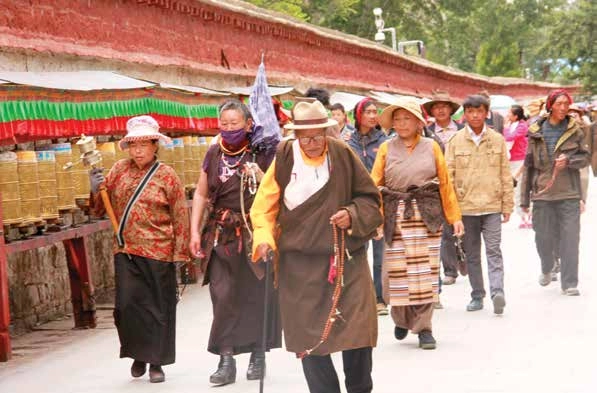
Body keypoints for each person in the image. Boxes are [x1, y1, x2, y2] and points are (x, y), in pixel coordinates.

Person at [251, 99, 382, 393]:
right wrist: (263, 238)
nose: (312, 142)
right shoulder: (285, 156)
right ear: (295, 135)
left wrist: (352, 215)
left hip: (345, 260)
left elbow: (371, 199)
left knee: (358, 334)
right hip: (299, 266)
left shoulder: (342, 153)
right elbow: (264, 207)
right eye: (305, 137)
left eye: (318, 135)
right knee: (308, 340)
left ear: (328, 131)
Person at [89, 115, 190, 383]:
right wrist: (95, 188)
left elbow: (180, 215)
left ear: (155, 145)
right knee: (127, 307)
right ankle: (138, 353)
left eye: (144, 145)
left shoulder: (167, 176)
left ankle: (157, 361)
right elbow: (100, 208)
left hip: (159, 251)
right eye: (133, 145)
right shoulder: (119, 170)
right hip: (126, 249)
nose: (138, 151)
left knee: (159, 308)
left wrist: (181, 254)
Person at [189, 99, 281, 386]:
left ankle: (257, 354)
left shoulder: (262, 153)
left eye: (235, 124)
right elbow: (202, 195)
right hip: (221, 234)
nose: (229, 129)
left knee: (255, 293)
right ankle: (225, 359)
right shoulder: (214, 154)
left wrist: (260, 175)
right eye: (224, 124)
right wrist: (194, 232)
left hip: (255, 233)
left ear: (248, 124)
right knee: (222, 294)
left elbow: (277, 189)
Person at [371, 97, 464, 349]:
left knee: (424, 272)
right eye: (397, 119)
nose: (402, 124)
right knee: (398, 273)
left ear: (418, 122)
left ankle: (424, 327)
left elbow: (445, 183)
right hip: (395, 213)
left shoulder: (432, 146)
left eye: (407, 119)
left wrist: (454, 217)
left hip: (427, 213)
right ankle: (401, 319)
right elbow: (374, 184)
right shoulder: (385, 148)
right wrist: (376, 220)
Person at [445, 94, 513, 314]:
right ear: (465, 114)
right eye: (470, 111)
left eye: (479, 111)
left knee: (494, 250)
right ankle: (477, 295)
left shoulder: (497, 140)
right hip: (466, 208)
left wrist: (507, 205)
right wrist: (452, 212)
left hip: (492, 205)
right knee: (472, 254)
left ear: (486, 113)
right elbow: (448, 177)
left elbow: (505, 173)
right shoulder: (455, 141)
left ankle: (497, 292)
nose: (475, 115)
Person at [520, 89, 590, 296]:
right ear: (550, 106)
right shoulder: (535, 132)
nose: (563, 108)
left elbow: (585, 158)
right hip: (542, 192)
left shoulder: (575, 130)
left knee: (570, 238)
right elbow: (529, 166)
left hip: (568, 193)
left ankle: (569, 283)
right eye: (558, 104)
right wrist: (524, 200)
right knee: (543, 236)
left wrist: (569, 161)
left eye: (566, 104)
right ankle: (547, 266)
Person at [347, 97, 389, 315]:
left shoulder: (385, 141)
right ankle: (360, 296)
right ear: (358, 115)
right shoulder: (349, 142)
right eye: (369, 112)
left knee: (381, 255)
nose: (373, 116)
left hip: (381, 203)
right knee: (358, 252)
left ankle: (380, 298)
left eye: (376, 112)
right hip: (358, 205)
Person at [422, 90, 464, 286]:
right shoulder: (427, 133)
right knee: (446, 230)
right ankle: (450, 270)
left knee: (467, 227)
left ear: (450, 109)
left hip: (465, 184)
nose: (440, 110)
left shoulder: (463, 130)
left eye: (444, 106)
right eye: (436, 107)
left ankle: (466, 260)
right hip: (440, 185)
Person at [504, 104, 530, 228]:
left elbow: (510, 137)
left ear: (515, 116)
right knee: (515, 189)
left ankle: (527, 215)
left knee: (521, 188)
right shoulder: (509, 125)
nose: (507, 115)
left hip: (520, 160)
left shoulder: (522, 126)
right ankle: (522, 216)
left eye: (509, 113)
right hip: (511, 160)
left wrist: (506, 129)